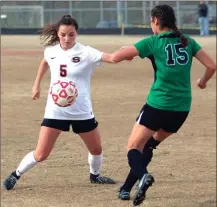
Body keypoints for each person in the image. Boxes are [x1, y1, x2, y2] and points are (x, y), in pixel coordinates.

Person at [107, 4, 215, 206]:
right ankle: (125, 189)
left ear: (156, 20)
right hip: (181, 110)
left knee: (133, 148)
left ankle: (143, 177)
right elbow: (212, 66)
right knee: (148, 146)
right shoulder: (188, 41)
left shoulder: (154, 42)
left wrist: (120, 53)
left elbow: (115, 58)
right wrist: (203, 82)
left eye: (151, 22)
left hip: (158, 105)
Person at [2, 14, 119, 191]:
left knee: (96, 149)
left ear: (76, 33)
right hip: (56, 111)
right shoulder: (51, 51)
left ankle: (95, 176)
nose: (67, 38)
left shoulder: (86, 52)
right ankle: (15, 174)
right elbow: (45, 63)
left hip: (81, 111)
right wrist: (36, 85)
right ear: (58, 33)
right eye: (63, 34)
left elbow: (111, 58)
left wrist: (127, 53)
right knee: (41, 154)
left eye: (71, 34)